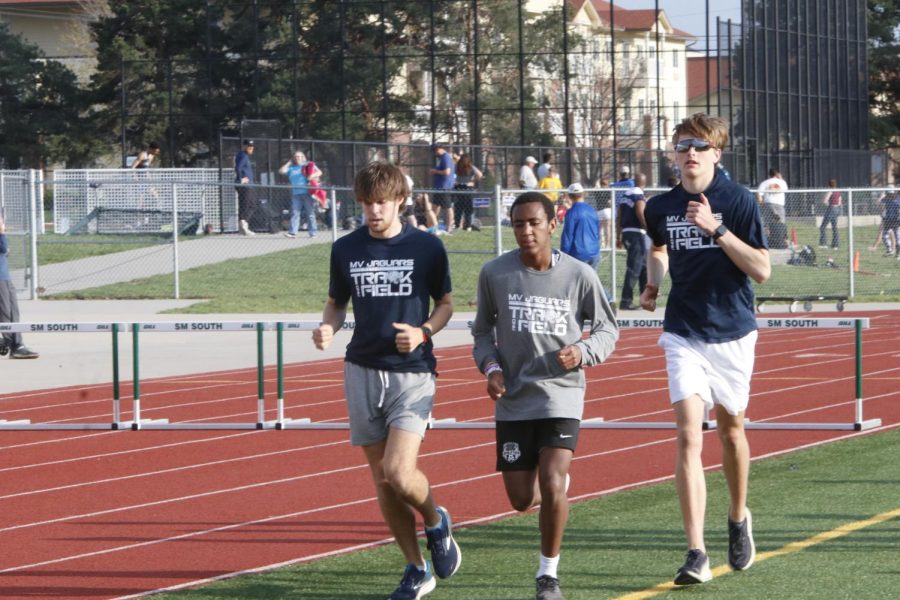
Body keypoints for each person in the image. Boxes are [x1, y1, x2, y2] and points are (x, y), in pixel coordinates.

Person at [312, 161, 460, 600]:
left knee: (399, 471)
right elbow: (337, 302)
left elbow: (446, 303)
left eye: (382, 202)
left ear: (399, 201)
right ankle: (416, 569)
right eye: (367, 203)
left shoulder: (427, 247)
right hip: (361, 369)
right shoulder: (345, 249)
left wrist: (423, 332)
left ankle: (436, 521)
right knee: (382, 480)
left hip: (411, 373)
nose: (374, 211)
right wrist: (328, 327)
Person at [640, 113, 770, 586]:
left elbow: (761, 270)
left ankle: (738, 517)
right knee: (688, 436)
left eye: (699, 146)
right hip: (683, 331)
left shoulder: (738, 202)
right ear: (674, 155)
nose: (690, 153)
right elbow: (659, 248)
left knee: (731, 432)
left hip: (734, 332)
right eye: (682, 146)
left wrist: (717, 230)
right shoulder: (659, 206)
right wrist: (652, 284)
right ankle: (696, 551)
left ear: (717, 153)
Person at [471, 191, 618, 600]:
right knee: (521, 500)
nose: (526, 231)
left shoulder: (578, 275)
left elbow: (608, 329)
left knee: (553, 482)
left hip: (562, 394)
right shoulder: (494, 273)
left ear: (553, 225)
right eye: (518, 224)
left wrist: (584, 351)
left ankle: (547, 575)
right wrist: (491, 368)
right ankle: (552, 494)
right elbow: (482, 332)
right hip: (515, 398)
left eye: (534, 223)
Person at [0, 214, 39, 359]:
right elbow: (4, 249)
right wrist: (2, 233)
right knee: (5, 314)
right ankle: (14, 345)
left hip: (5, 277)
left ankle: (16, 344)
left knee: (13, 312)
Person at [616, 173, 648, 311]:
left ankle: (645, 298)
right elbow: (640, 211)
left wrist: (618, 236)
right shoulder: (638, 196)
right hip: (637, 233)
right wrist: (648, 227)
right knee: (634, 268)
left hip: (626, 232)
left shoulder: (625, 197)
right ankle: (626, 301)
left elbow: (619, 217)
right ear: (644, 184)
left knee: (643, 267)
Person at [279, 151, 322, 238]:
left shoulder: (307, 165)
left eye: (299, 156)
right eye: (295, 157)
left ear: (303, 157)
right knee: (295, 213)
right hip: (296, 194)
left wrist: (312, 176)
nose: (297, 158)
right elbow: (281, 171)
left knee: (310, 213)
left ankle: (313, 233)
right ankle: (292, 232)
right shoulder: (291, 168)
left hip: (307, 193)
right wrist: (288, 163)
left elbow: (319, 172)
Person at [560, 183, 601, 270]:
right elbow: (597, 232)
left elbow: (567, 237)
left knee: (576, 283)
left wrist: (563, 255)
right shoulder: (592, 210)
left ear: (570, 196)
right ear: (583, 194)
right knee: (591, 283)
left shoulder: (571, 213)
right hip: (594, 253)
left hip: (578, 255)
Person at [453, 154, 483, 231]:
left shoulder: (465, 167)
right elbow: (480, 175)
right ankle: (466, 226)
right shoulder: (462, 167)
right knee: (465, 208)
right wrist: (472, 181)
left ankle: (459, 225)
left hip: (461, 188)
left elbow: (479, 175)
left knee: (461, 208)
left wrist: (472, 181)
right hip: (466, 188)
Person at [430, 143, 455, 234]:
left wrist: (435, 171)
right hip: (438, 187)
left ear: (438, 149)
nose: (434, 154)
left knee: (448, 207)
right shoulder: (441, 159)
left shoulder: (446, 157)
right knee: (435, 206)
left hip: (445, 187)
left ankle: (449, 227)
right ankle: (432, 225)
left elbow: (447, 172)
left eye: (434, 151)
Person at [234, 140, 256, 236]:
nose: (251, 148)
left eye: (252, 146)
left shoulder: (244, 156)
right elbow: (238, 168)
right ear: (244, 146)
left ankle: (243, 226)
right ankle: (243, 224)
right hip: (245, 186)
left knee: (250, 205)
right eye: (249, 146)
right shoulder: (243, 155)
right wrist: (240, 179)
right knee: (248, 205)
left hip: (248, 185)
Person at [872, 187, 899, 257]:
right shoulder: (895, 200)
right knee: (895, 236)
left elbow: (878, 202)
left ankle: (891, 249)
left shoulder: (887, 199)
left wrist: (882, 195)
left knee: (886, 235)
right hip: (893, 220)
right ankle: (894, 252)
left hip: (890, 220)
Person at [818, 179, 842, 249]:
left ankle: (824, 243)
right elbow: (840, 202)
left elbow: (825, 201)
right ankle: (835, 245)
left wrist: (829, 203)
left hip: (831, 209)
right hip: (837, 209)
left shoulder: (830, 191)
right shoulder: (838, 192)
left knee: (823, 227)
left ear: (829, 185)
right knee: (834, 227)